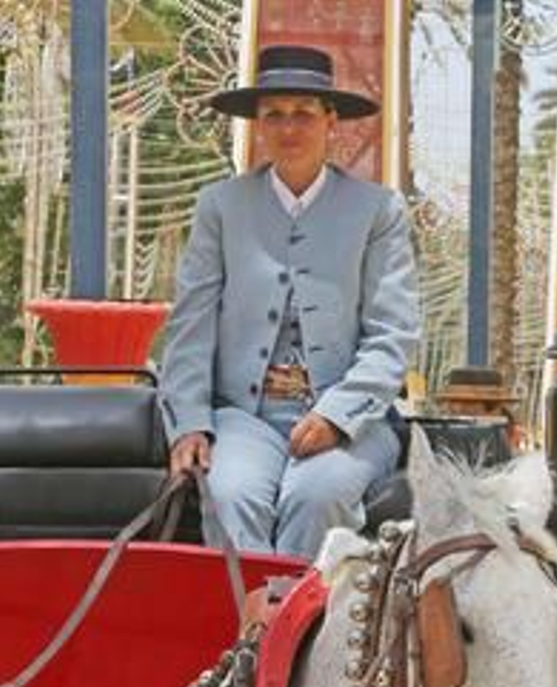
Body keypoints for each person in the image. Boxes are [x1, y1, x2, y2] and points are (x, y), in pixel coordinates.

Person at [158, 45, 420, 558]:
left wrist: (336, 416)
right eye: (274, 114)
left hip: (352, 421)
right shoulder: (221, 206)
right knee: (230, 494)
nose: (288, 128)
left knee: (316, 496)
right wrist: (189, 423)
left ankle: (303, 614)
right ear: (258, 125)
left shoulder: (378, 211)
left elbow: (393, 335)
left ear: (331, 121)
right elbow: (190, 328)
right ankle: (252, 614)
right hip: (245, 417)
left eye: (303, 113)